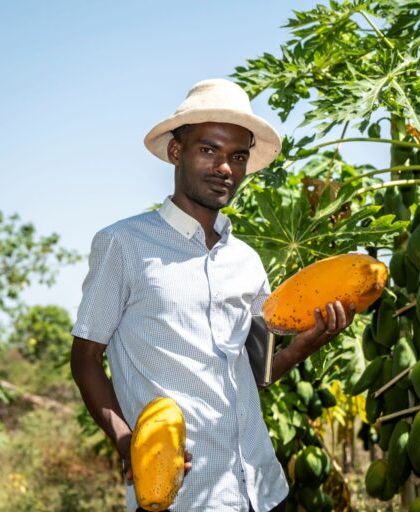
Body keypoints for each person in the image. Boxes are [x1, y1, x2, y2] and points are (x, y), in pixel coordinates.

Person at [69, 79, 356, 512]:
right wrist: (127, 441)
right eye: (209, 150)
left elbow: (256, 374)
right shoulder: (124, 245)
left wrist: (307, 345)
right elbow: (85, 359)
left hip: (263, 487)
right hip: (182, 495)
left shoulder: (246, 261)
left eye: (237, 157)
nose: (225, 167)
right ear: (176, 152)